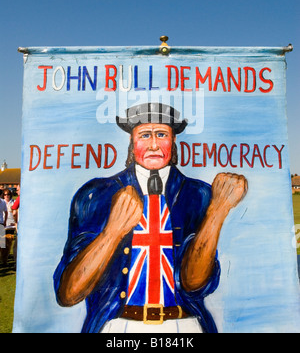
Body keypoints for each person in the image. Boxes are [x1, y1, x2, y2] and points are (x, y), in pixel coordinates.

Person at [54, 102, 248, 333]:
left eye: (162, 134)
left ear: (173, 141)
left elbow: (195, 285)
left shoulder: (199, 195)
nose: (154, 145)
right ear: (131, 141)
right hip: (117, 325)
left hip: (183, 324)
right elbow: (68, 294)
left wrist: (217, 211)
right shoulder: (96, 194)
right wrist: (112, 232)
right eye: (145, 135)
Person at [1, 189, 16, 266]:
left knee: (8, 244)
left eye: (8, 194)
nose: (6, 196)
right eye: (5, 194)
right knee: (2, 244)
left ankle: (5, 259)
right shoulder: (2, 202)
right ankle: (4, 258)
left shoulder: (13, 202)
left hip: (11, 226)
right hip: (3, 224)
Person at [0, 190, 8, 265]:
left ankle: (3, 260)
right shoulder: (3, 201)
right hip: (1, 223)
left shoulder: (2, 202)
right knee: (2, 244)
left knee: (2, 244)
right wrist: (5, 221)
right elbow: (6, 212)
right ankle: (3, 260)